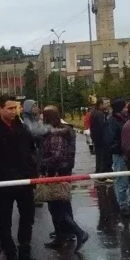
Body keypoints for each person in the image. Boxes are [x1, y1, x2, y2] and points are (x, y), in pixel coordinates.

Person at [0, 95, 45, 260]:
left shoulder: (22, 127)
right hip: (5, 182)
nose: (13, 111)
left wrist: (33, 171)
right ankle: (11, 256)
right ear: (0, 108)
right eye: (9, 108)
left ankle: (25, 253)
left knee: (27, 217)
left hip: (25, 181)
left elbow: (31, 150)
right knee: (5, 220)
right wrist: (8, 173)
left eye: (14, 108)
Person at [40, 106, 89, 250]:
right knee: (61, 205)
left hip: (55, 173)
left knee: (56, 207)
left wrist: (40, 163)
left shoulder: (56, 134)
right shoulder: (62, 130)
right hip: (62, 172)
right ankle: (62, 237)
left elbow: (56, 156)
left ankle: (78, 232)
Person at [102, 99, 130, 215]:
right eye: (125, 107)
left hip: (127, 154)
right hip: (119, 155)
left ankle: (127, 203)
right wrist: (121, 147)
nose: (127, 109)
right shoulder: (112, 121)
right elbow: (110, 140)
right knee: (121, 180)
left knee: (127, 180)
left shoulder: (124, 119)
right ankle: (122, 205)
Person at [90, 98, 110, 172]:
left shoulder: (95, 112)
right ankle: (101, 174)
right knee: (101, 157)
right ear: (100, 104)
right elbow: (101, 126)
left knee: (99, 156)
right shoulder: (99, 114)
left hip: (96, 138)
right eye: (105, 103)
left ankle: (99, 172)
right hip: (101, 139)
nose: (108, 105)